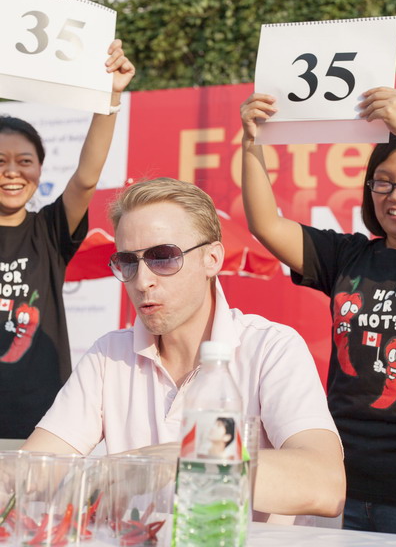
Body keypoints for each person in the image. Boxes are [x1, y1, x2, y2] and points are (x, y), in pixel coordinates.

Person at [22, 177, 344, 522]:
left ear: (212, 259)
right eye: (128, 261)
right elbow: (32, 471)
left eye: (163, 257)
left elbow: (324, 485)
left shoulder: (270, 347)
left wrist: (170, 465)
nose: (142, 280)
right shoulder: (108, 354)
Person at [240, 87, 396, 533]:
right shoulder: (349, 256)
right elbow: (266, 224)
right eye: (383, 182)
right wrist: (251, 142)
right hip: (342, 485)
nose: (394, 196)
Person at [0, 39, 135, 440]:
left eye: (24, 161)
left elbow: (87, 178)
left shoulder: (49, 230)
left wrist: (110, 97)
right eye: (0, 162)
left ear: (40, 168)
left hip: (40, 425)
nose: (12, 172)